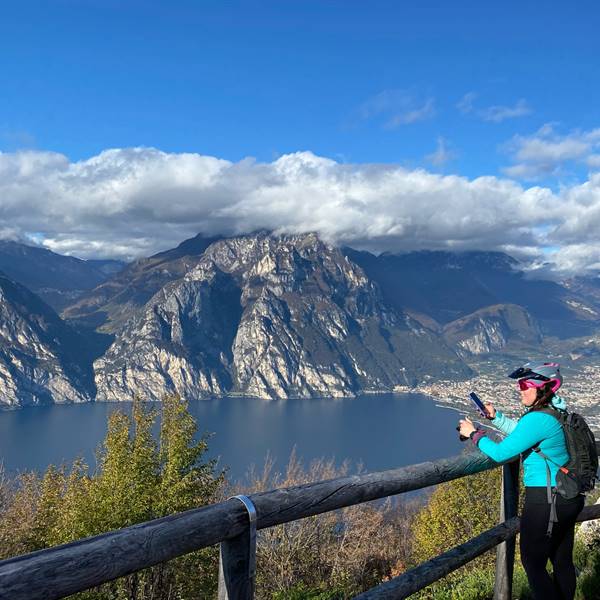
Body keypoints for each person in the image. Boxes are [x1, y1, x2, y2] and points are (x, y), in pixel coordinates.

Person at [458, 362, 584, 600]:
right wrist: (495, 417)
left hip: (546, 499)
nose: (520, 389)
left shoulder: (537, 419)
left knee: (532, 563)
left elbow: (501, 453)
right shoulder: (557, 412)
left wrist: (473, 434)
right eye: (520, 384)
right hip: (568, 496)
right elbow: (525, 435)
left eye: (525, 384)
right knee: (561, 560)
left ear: (542, 387)